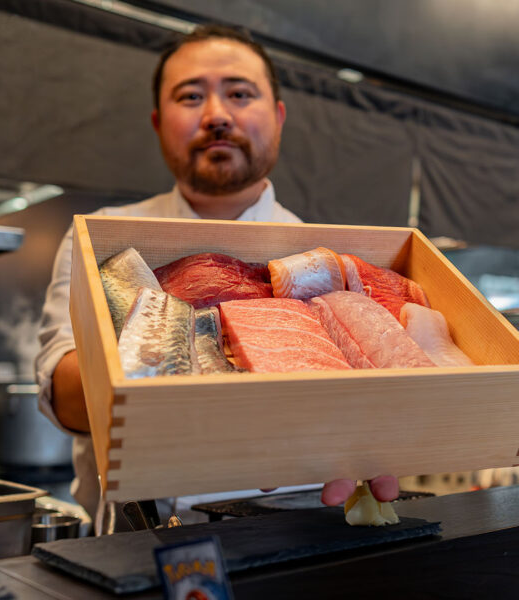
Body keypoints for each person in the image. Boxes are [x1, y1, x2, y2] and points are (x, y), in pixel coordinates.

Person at [35, 24, 398, 522]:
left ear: (278, 116)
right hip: (138, 544)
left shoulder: (330, 257)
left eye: (240, 93)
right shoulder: (101, 242)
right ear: (159, 122)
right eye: (190, 96)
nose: (217, 115)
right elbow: (67, 401)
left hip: (306, 531)